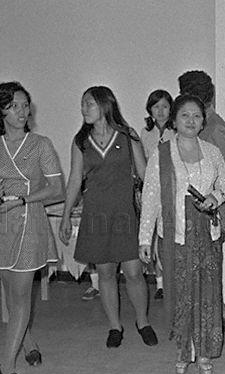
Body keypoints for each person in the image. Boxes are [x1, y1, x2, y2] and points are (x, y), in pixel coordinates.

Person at [0, 81, 64, 374]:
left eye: (25, 105)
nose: (22, 111)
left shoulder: (41, 144)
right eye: (15, 106)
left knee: (21, 297)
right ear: (0, 110)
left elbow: (55, 188)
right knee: (11, 292)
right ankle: (28, 341)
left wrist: (22, 199)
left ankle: (6, 366)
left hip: (28, 221)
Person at [139, 94, 225, 374]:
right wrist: (145, 238)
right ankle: (183, 350)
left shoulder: (212, 152)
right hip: (176, 234)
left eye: (196, 116)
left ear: (203, 120)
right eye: (185, 116)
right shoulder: (162, 153)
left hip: (207, 232)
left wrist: (214, 199)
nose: (191, 121)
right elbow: (152, 196)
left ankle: (205, 353)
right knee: (181, 293)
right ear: (175, 121)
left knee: (207, 292)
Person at [58, 86, 156, 348]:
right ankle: (115, 326)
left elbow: (145, 175)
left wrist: (157, 208)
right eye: (82, 104)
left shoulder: (127, 135)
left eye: (88, 104)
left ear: (105, 105)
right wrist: (66, 215)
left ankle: (143, 321)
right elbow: (75, 180)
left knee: (134, 271)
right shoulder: (80, 142)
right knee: (105, 272)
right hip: (96, 214)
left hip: (125, 213)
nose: (83, 109)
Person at [178, 70, 225, 331]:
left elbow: (224, 174)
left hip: (209, 207)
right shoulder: (198, 125)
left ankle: (219, 315)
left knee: (209, 267)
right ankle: (211, 315)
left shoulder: (215, 128)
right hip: (192, 207)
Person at [140, 89, 175, 300]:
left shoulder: (176, 131)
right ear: (150, 110)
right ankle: (159, 283)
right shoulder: (146, 132)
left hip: (171, 189)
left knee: (166, 236)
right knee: (150, 238)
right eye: (156, 107)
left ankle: (167, 282)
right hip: (151, 188)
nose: (160, 111)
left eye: (164, 106)